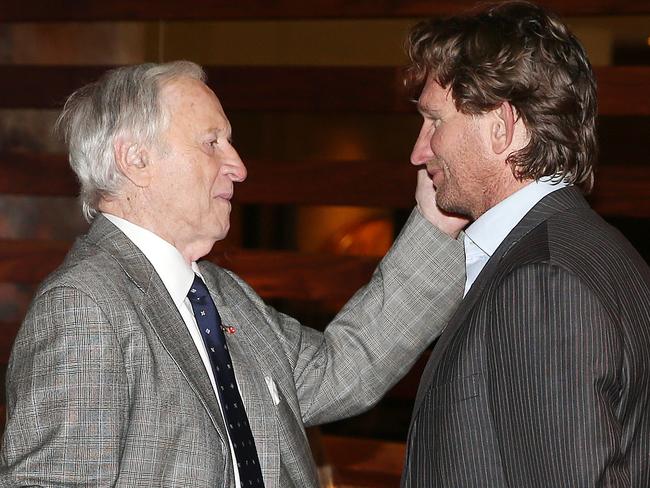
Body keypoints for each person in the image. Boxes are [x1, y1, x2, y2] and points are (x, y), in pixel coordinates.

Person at [0, 61, 465, 486]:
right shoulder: (85, 305)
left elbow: (340, 371)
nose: (239, 167)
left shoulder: (219, 294)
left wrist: (436, 223)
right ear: (135, 159)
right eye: (211, 143)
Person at [400, 2, 650, 487]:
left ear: (501, 126)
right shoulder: (588, 250)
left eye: (434, 121)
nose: (418, 150)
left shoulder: (542, 283)